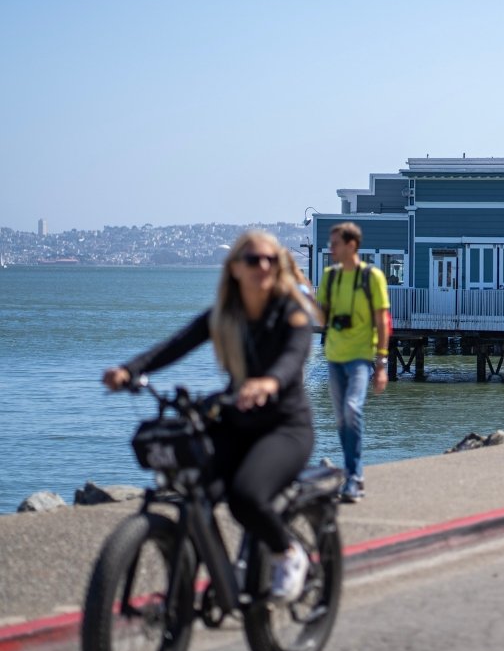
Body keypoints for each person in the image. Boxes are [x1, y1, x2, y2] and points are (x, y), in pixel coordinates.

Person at [102, 231, 315, 603]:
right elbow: (173, 346)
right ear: (234, 268)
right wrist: (129, 370)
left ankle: (289, 553)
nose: (262, 266)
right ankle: (208, 574)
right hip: (236, 422)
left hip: (285, 428)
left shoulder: (291, 312)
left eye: (270, 260)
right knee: (194, 489)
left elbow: (292, 357)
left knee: (245, 497)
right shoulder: (223, 317)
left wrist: (268, 381)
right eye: (252, 260)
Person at [314, 222, 390, 504]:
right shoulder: (330, 277)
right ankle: (350, 474)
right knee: (341, 419)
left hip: (360, 357)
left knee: (351, 408)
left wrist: (381, 362)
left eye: (335, 244)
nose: (330, 248)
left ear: (351, 245)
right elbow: (321, 321)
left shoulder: (372, 278)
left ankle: (355, 476)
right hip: (334, 356)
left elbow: (382, 320)